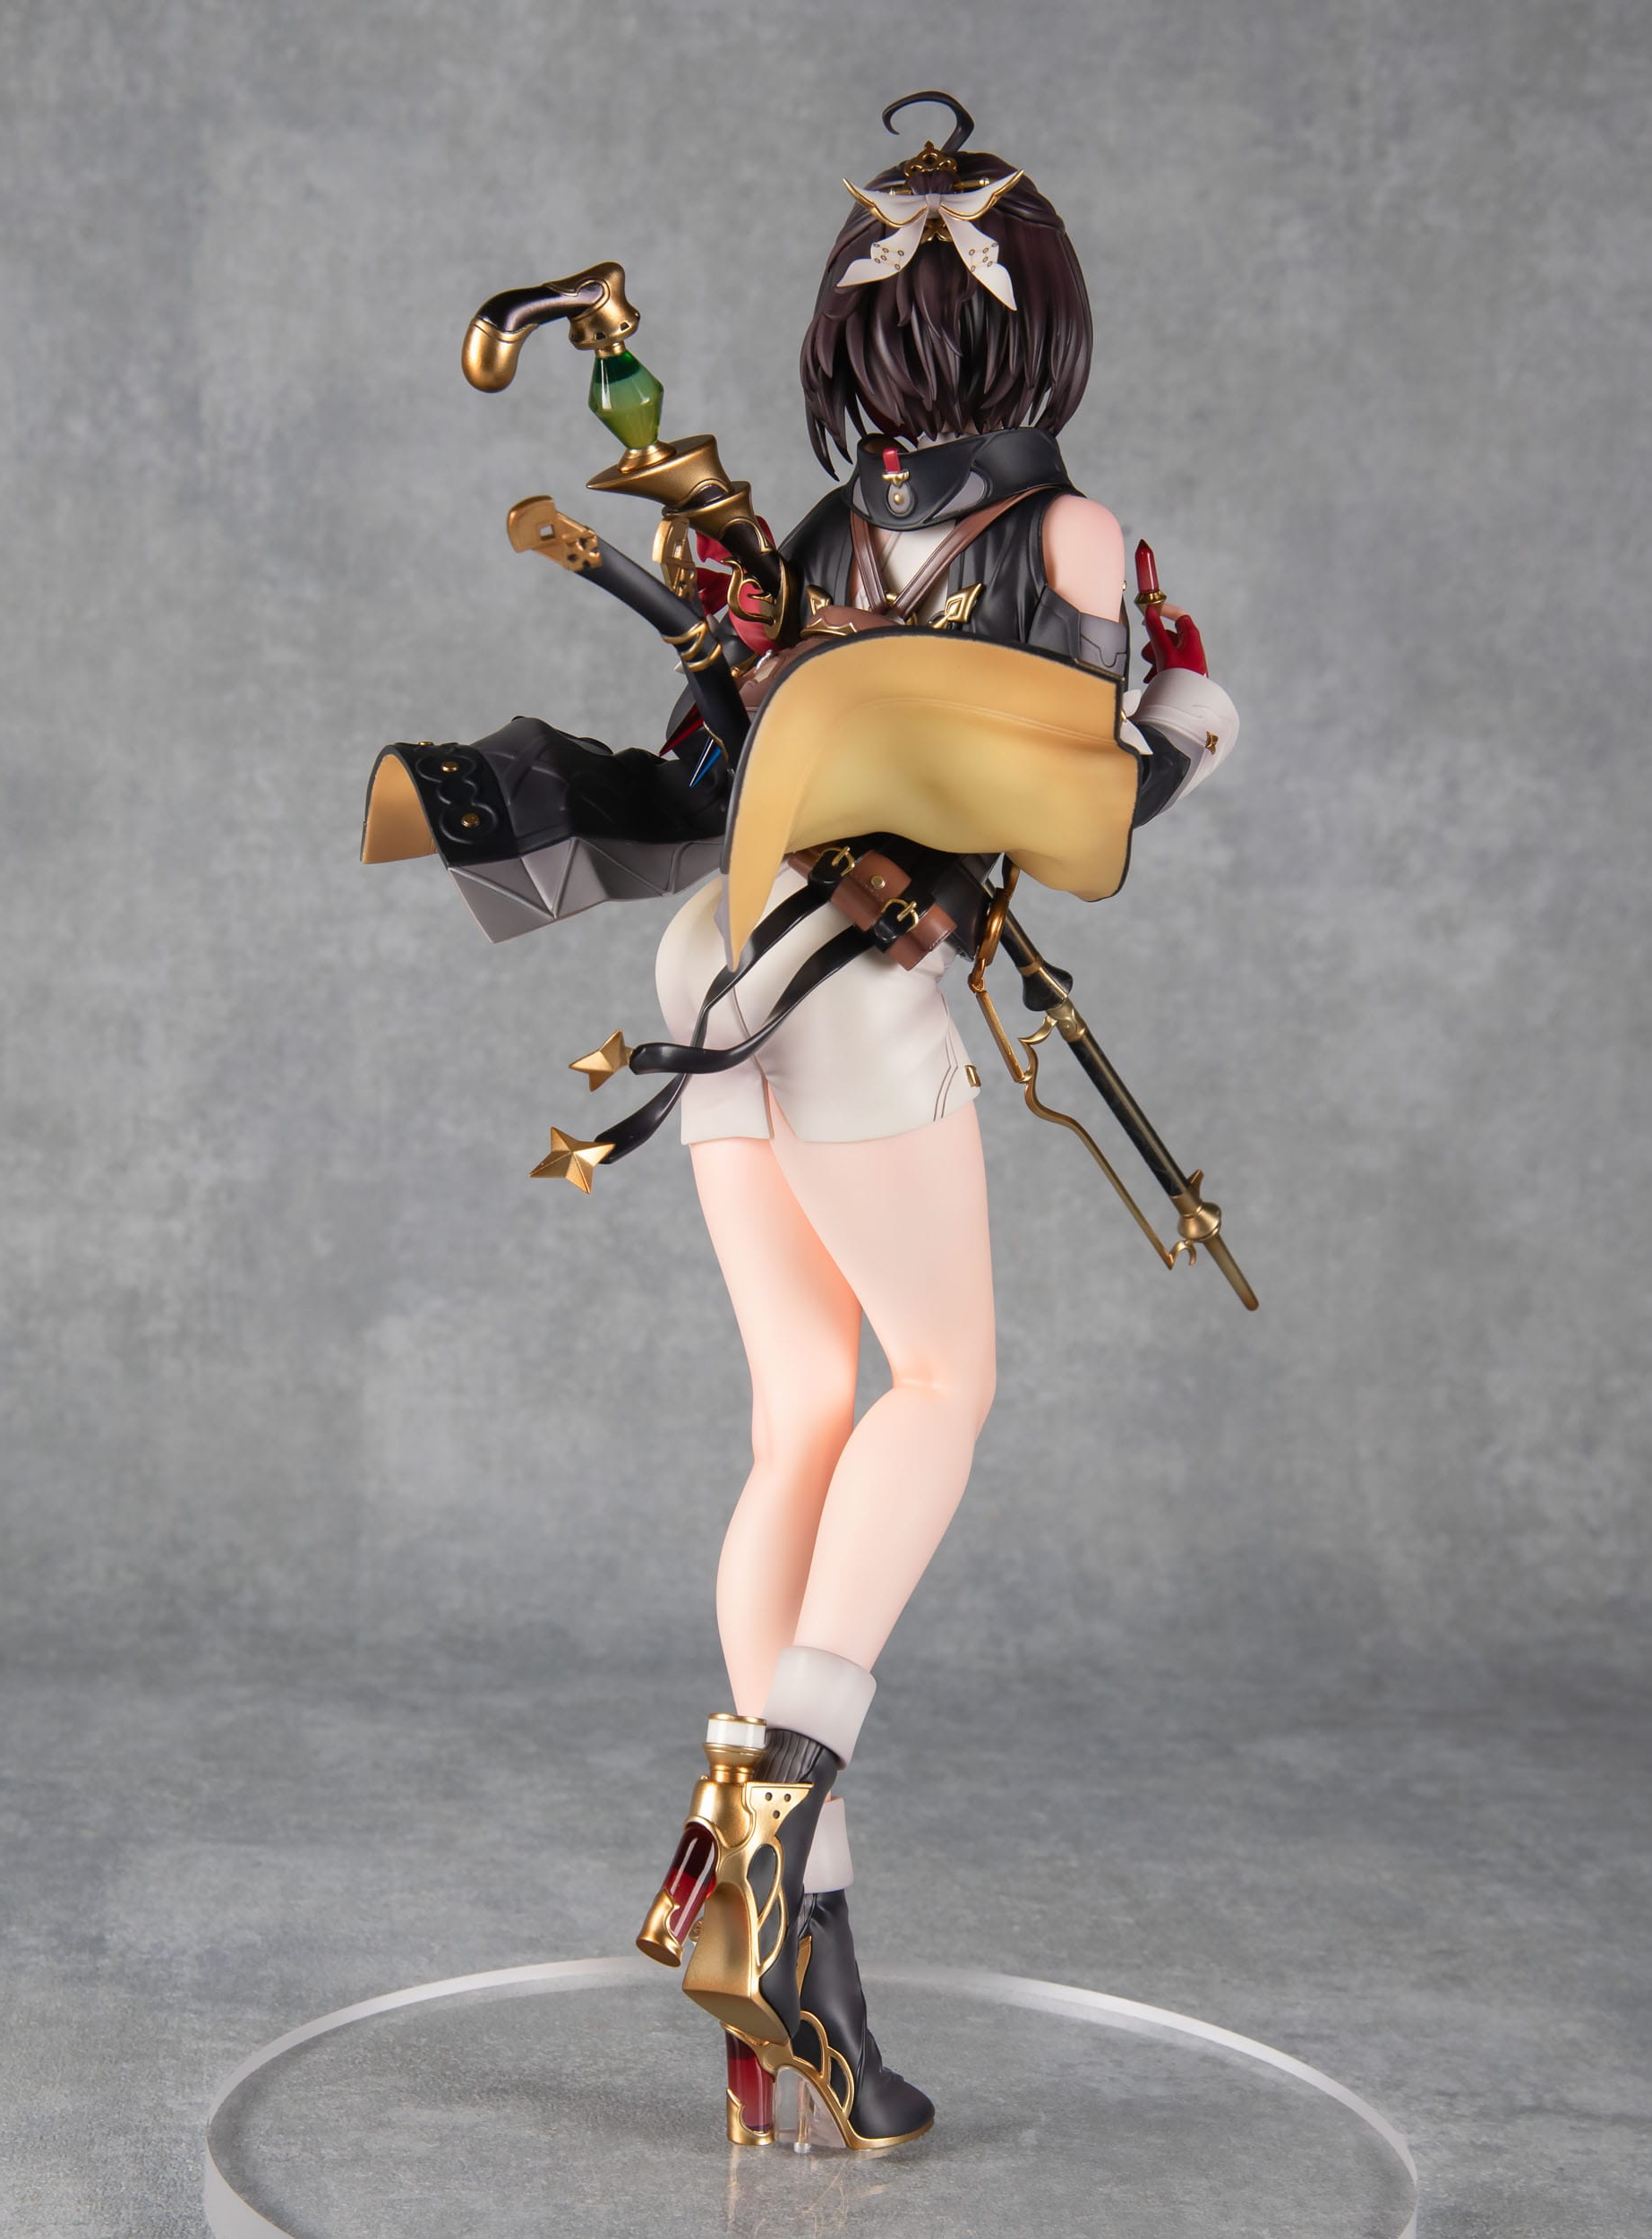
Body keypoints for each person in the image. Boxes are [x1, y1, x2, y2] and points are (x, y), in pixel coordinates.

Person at [638, 93, 1240, 2149]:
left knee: (800, 1408)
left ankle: (787, 1942)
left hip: (713, 964)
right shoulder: (1061, 538)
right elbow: (1091, 810)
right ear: (1032, 323)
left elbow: (704, 767)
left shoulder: (814, 541)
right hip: (851, 985)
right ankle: (778, 1788)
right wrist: (1185, 717)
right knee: (944, 1379)